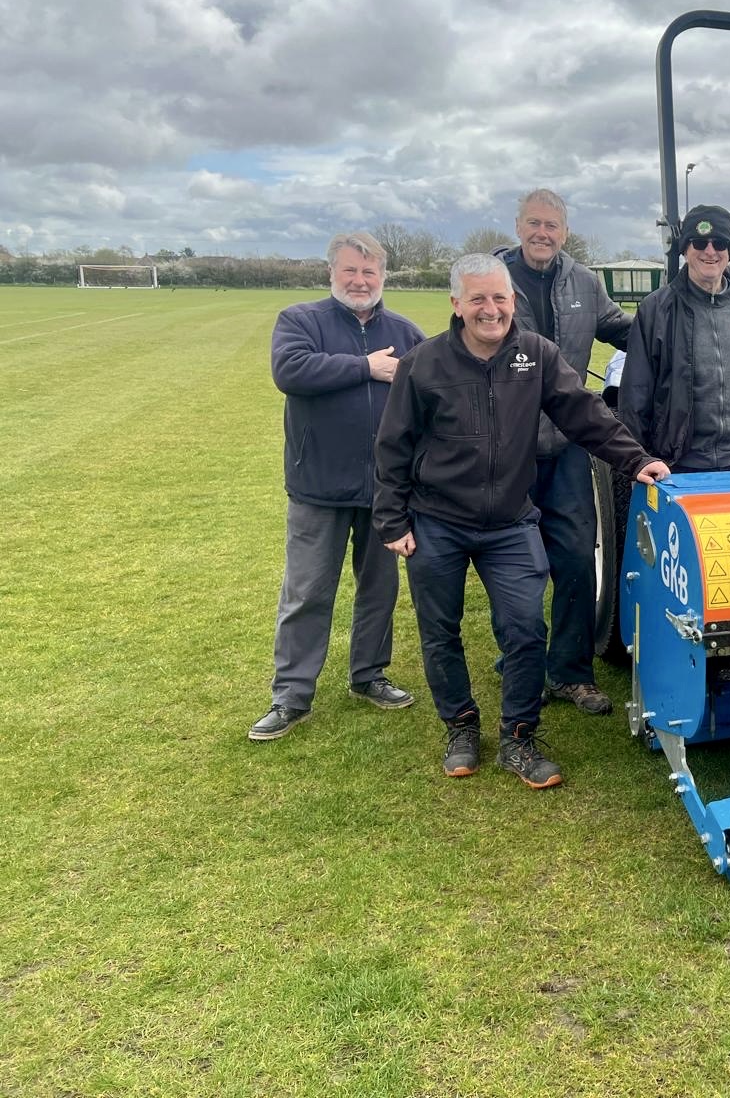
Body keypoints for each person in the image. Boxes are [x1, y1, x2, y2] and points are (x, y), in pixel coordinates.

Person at [373, 254, 669, 790]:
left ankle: (519, 735)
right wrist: (393, 520)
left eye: (500, 298)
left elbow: (583, 412)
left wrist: (635, 459)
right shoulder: (424, 365)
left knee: (526, 630)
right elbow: (392, 446)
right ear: (457, 305)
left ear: (513, 301)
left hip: (510, 522)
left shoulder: (535, 355)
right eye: (479, 299)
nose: (492, 310)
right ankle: (460, 726)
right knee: (440, 632)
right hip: (436, 520)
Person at [251, 232, 425, 742]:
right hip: (318, 487)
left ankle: (368, 675)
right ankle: (291, 696)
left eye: (369, 273)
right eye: (350, 271)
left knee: (379, 590)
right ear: (332, 273)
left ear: (383, 277)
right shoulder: (301, 321)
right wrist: (366, 367)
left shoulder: (405, 331)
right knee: (306, 592)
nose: (360, 281)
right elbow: (290, 370)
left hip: (385, 490)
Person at [491, 189, 632, 715]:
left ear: (565, 232)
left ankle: (571, 672)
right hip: (507, 448)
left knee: (575, 558)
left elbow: (624, 331)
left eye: (551, 225)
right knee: (511, 562)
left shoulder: (585, 283)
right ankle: (518, 660)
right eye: (533, 223)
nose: (542, 233)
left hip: (569, 444)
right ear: (518, 226)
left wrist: (674, 333)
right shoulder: (495, 281)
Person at [618, 204, 730, 471]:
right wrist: (639, 461)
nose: (710, 251)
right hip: (678, 466)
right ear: (685, 249)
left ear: (729, 250)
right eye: (700, 242)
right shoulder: (656, 310)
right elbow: (636, 394)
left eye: (720, 243)